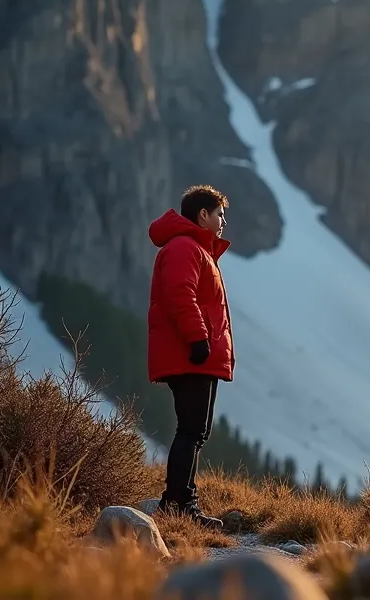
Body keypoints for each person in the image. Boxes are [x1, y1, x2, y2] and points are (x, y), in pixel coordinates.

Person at [146, 185, 234, 529]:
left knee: (194, 430)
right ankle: (180, 505)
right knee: (192, 430)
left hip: (194, 354)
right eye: (219, 214)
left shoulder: (194, 248)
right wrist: (198, 338)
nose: (223, 221)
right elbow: (179, 294)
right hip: (191, 354)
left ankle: (180, 501)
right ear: (203, 215)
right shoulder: (186, 247)